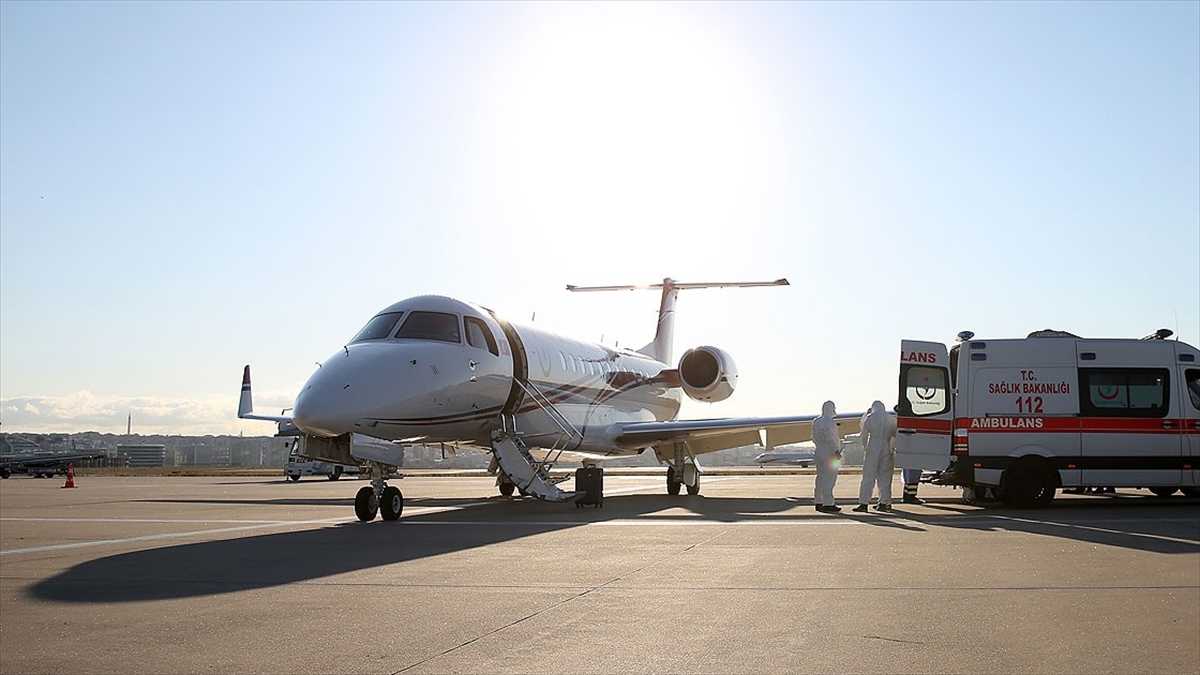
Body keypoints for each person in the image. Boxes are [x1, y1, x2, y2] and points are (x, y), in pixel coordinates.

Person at [853, 400, 896, 512]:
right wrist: (891, 449)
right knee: (885, 477)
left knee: (868, 476)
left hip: (873, 446)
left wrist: (865, 447)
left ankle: (864, 503)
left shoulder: (870, 418)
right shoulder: (890, 418)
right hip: (886, 446)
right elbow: (895, 436)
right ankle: (883, 503)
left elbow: (863, 434)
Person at [812, 400, 843, 513]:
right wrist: (836, 451)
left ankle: (818, 501)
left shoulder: (816, 421)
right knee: (830, 477)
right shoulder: (829, 421)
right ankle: (828, 503)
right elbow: (831, 437)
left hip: (819, 450)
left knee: (820, 477)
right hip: (829, 452)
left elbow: (813, 437)